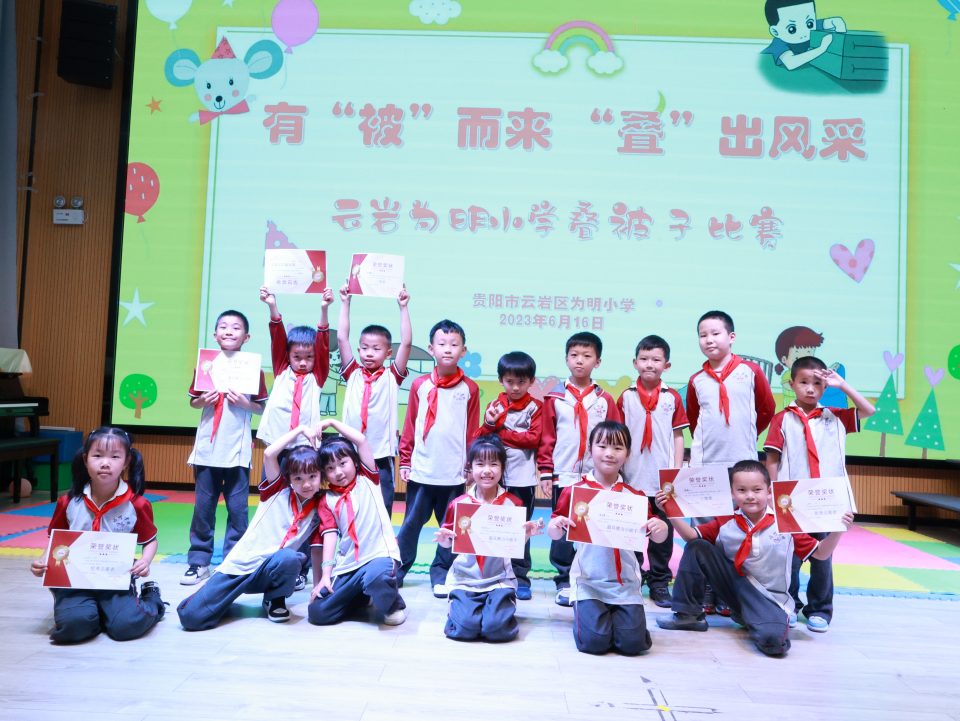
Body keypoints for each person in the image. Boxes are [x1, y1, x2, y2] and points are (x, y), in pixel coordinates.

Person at [655, 460, 853, 657]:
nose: (750, 496)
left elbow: (821, 553)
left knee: (773, 644)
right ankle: (688, 615)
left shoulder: (786, 523)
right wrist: (669, 511)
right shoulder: (726, 520)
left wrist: (838, 530)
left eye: (757, 490)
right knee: (697, 547)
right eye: (741, 490)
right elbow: (690, 536)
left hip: (769, 599)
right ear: (732, 493)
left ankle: (757, 618)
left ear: (769, 492)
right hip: (733, 590)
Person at [176, 424, 337, 630]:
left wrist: (318, 586)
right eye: (298, 478)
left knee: (290, 558)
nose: (306, 484)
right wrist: (300, 430)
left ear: (321, 476)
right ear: (289, 479)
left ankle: (274, 599)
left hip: (272, 570)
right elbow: (269, 454)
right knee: (191, 618)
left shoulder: (320, 508)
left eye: (312, 477)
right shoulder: (277, 490)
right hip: (241, 567)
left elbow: (316, 550)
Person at [763, 356, 875, 632]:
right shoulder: (782, 419)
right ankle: (788, 604)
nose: (810, 388)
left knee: (823, 558)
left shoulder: (836, 417)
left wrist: (842, 385)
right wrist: (772, 494)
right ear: (792, 384)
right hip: (792, 501)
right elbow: (772, 459)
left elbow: (869, 410)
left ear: (825, 387)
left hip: (828, 500)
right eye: (803, 382)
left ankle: (820, 609)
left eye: (817, 383)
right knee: (789, 556)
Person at [30, 427, 165, 643]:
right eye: (98, 455)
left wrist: (145, 561)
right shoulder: (68, 502)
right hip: (74, 579)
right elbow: (56, 541)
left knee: (126, 626)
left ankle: (151, 597)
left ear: (127, 461)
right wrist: (43, 561)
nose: (105, 463)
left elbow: (150, 541)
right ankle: (94, 613)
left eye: (115, 457)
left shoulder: (137, 504)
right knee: (74, 627)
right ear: (85, 459)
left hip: (115, 579)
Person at [547, 421, 668, 656]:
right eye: (602, 446)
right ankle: (589, 614)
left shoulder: (635, 497)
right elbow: (555, 533)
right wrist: (556, 525)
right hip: (589, 582)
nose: (609, 453)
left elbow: (658, 537)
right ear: (590, 449)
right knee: (594, 642)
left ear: (628, 454)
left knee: (633, 645)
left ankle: (615, 618)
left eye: (618, 448)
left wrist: (661, 526)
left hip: (625, 584)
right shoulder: (575, 491)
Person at [687, 310, 775, 615]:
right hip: (707, 464)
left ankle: (730, 589)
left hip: (742, 464)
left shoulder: (751, 371)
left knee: (735, 528)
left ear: (731, 337)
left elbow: (766, 408)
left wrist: (745, 437)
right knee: (706, 527)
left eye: (715, 333)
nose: (709, 340)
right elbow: (694, 418)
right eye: (703, 335)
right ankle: (707, 588)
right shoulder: (696, 380)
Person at [182, 309, 268, 586]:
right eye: (223, 326)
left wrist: (245, 404)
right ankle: (199, 562)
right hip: (207, 450)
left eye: (236, 327)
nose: (229, 331)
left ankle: (233, 562)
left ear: (246, 337)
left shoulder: (253, 368)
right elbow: (193, 402)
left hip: (237, 451)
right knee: (203, 509)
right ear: (215, 334)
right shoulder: (206, 364)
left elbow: (261, 408)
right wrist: (202, 401)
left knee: (238, 510)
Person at [396, 319, 480, 596]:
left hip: (453, 474)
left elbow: (472, 430)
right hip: (422, 471)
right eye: (442, 344)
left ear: (463, 351)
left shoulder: (470, 388)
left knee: (451, 528)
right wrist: (405, 459)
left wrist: (471, 466)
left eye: (454, 345)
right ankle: (398, 569)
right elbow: (410, 424)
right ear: (431, 349)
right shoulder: (420, 385)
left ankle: (442, 573)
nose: (448, 349)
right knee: (410, 525)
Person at [537, 331, 621, 606]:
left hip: (596, 477)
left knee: (593, 527)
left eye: (587, 356)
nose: (580, 361)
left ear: (598, 361)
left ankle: (590, 577)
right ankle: (563, 579)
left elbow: (615, 438)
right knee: (563, 526)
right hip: (563, 474)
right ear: (566, 359)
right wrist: (545, 471)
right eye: (574, 355)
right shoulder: (554, 397)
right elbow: (546, 436)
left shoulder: (604, 399)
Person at [435, 436, 542, 641]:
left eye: (494, 464)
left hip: (499, 579)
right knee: (465, 628)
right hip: (465, 579)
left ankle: (500, 605)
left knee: (496, 630)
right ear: (470, 467)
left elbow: (513, 544)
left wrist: (527, 535)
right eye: (480, 464)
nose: (487, 470)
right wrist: (444, 540)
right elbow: (450, 542)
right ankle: (461, 605)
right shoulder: (459, 504)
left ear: (502, 468)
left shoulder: (514, 504)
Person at [307, 420, 407, 626]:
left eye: (343, 463)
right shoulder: (327, 500)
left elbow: (361, 441)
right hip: (349, 565)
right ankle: (361, 596)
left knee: (377, 578)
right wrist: (326, 576)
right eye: (330, 468)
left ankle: (393, 605)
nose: (338, 472)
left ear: (354, 461)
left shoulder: (369, 478)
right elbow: (330, 537)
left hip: (379, 555)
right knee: (317, 611)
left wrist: (332, 422)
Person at [617, 335, 688, 608]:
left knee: (663, 535)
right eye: (644, 359)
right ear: (634, 363)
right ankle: (633, 577)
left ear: (666, 365)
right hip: (632, 477)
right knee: (632, 532)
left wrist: (675, 473)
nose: (649, 364)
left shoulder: (672, 398)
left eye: (656, 360)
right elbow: (618, 437)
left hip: (661, 480)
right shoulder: (626, 397)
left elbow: (678, 436)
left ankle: (659, 582)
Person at [337, 283, 412, 515]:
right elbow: (341, 338)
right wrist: (345, 302)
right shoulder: (353, 373)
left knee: (382, 506)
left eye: (376, 349)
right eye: (365, 348)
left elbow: (406, 343)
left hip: (380, 454)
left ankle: (382, 537)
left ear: (388, 353)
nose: (369, 353)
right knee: (350, 504)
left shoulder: (392, 376)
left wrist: (403, 307)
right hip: (349, 451)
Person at [478, 351, 542, 600]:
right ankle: (491, 573)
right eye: (509, 381)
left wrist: (500, 432)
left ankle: (521, 577)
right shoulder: (495, 406)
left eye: (521, 382)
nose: (515, 387)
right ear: (500, 380)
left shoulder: (536, 407)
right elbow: (481, 438)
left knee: (521, 530)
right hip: (494, 480)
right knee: (491, 525)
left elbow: (533, 439)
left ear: (531, 381)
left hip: (523, 480)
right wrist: (490, 425)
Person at [256, 285, 333, 448]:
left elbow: (323, 345)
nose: (303, 362)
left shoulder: (317, 376)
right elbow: (277, 338)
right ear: (288, 356)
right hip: (276, 439)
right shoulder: (282, 369)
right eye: (297, 357)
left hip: (305, 443)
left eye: (309, 357)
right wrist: (272, 305)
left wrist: (324, 309)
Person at [762, 0, 846, 71]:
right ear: (775, 32)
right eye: (792, 29)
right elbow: (791, 63)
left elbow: (834, 21)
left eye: (809, 23)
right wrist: (822, 48)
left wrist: (840, 27)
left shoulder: (810, 27)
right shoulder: (778, 43)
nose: (803, 31)